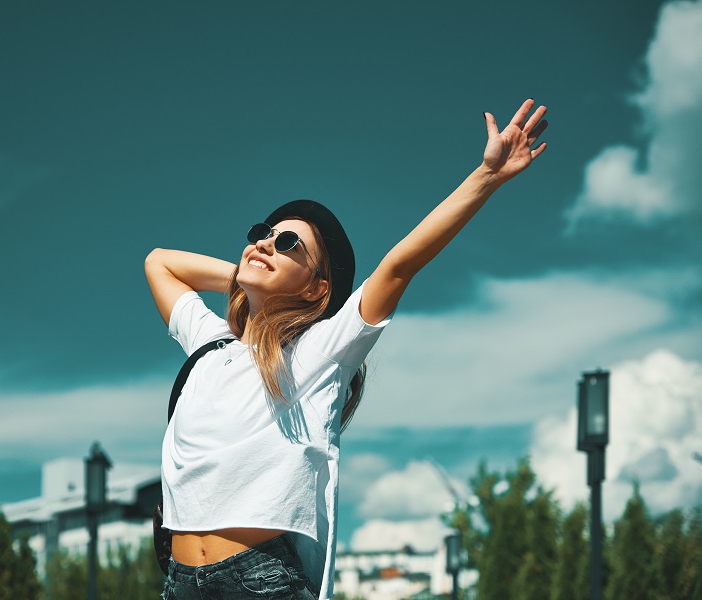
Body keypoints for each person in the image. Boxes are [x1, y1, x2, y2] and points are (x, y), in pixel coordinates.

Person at [145, 99, 548, 600]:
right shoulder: (210, 346)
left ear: (318, 288)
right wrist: (248, 272)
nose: (267, 242)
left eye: (289, 244)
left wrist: (486, 177)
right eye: (261, 235)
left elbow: (400, 265)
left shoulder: (321, 352)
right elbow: (159, 262)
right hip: (179, 584)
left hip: (260, 581)